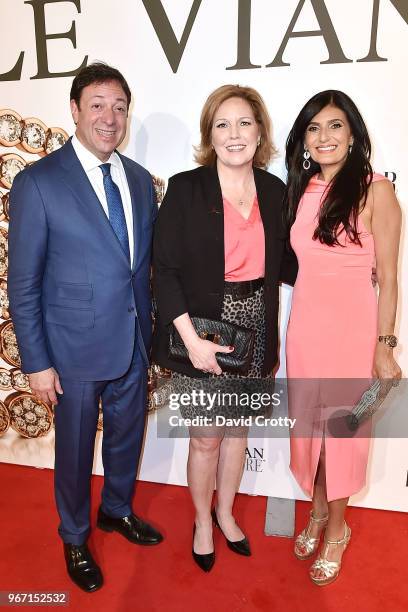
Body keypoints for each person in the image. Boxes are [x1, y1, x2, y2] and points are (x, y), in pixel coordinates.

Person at [8, 62, 163, 593]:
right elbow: (22, 282)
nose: (109, 117)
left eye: (119, 107)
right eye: (97, 104)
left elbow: (137, 267)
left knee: (127, 437)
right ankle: (74, 536)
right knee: (73, 451)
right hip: (69, 351)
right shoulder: (38, 183)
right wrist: (36, 361)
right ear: (74, 110)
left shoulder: (140, 181)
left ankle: (116, 510)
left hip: (132, 339)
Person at [152, 84, 297, 572]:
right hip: (203, 332)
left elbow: (292, 263)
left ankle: (227, 512)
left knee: (237, 432)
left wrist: (356, 264)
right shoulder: (186, 188)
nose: (234, 134)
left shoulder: (276, 191)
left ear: (260, 133)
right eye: (223, 124)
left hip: (255, 329)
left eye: (244, 124)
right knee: (205, 437)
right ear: (209, 136)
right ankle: (200, 520)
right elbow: (165, 271)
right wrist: (192, 342)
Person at [284, 89, 401, 585]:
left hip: (353, 333)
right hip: (306, 329)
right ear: (304, 140)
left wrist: (385, 344)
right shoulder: (303, 189)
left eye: (334, 126)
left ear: (352, 134)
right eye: (314, 128)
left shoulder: (377, 190)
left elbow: (391, 278)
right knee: (311, 432)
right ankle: (315, 512)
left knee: (342, 437)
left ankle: (337, 529)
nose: (324, 136)